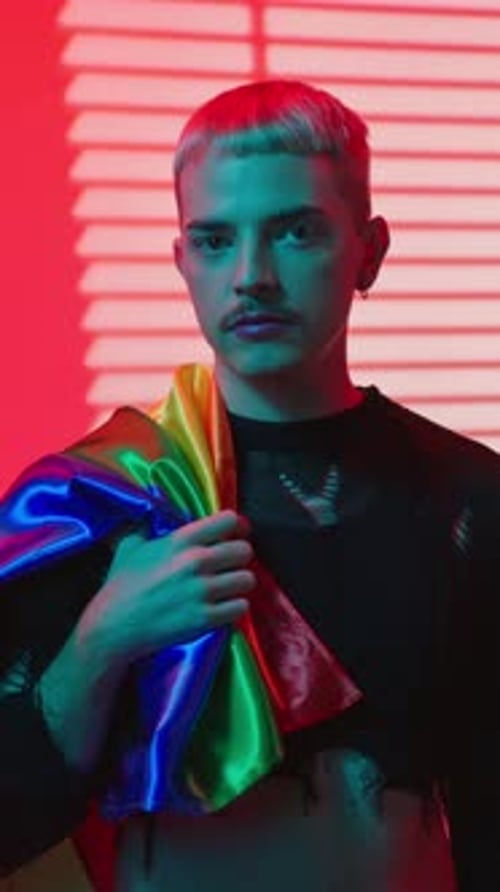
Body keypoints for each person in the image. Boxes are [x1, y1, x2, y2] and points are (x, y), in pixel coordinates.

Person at [1, 79, 499, 892]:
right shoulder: (92, 502)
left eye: (297, 232)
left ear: (369, 250)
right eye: (214, 240)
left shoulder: (469, 495)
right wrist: (100, 641)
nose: (252, 276)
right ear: (181, 261)